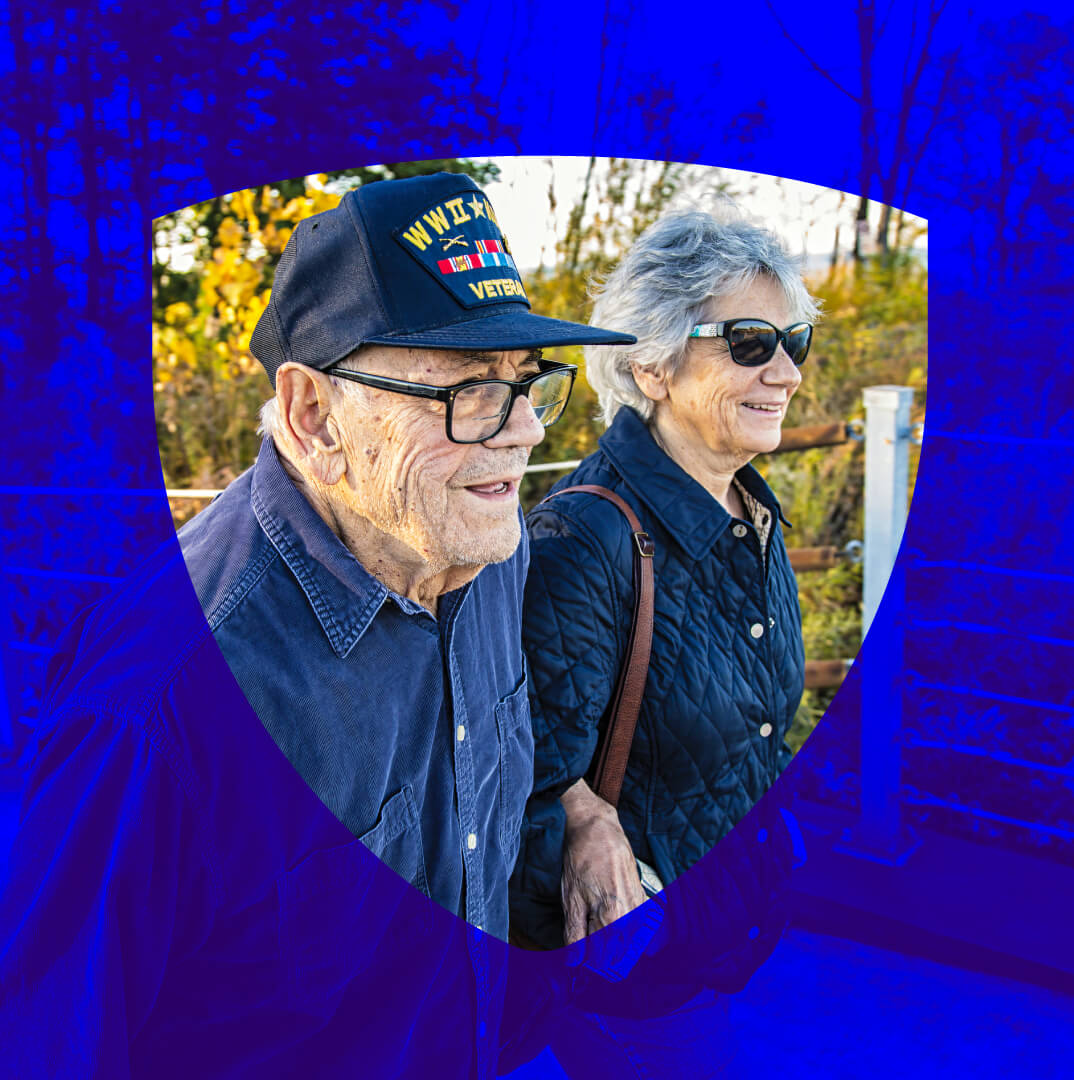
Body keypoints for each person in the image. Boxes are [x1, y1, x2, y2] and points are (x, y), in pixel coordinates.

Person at [0, 172, 633, 1078]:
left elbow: (484, 775)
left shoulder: (488, 552)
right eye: (469, 391)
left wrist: (580, 813)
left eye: (529, 385)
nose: (526, 431)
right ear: (312, 415)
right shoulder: (159, 706)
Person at [511, 207, 819, 954]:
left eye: (796, 341)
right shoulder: (586, 541)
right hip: (641, 958)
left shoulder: (748, 506)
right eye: (749, 343)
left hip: (733, 919)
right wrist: (581, 817)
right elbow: (529, 770)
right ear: (651, 365)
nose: (785, 372)